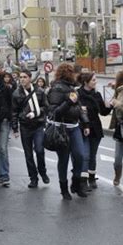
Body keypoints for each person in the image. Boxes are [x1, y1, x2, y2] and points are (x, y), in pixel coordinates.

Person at [47, 63, 90, 200]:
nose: (77, 76)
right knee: (64, 160)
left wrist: (86, 123)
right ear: (68, 73)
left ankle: (76, 182)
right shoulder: (57, 88)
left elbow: (78, 106)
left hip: (75, 127)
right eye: (74, 73)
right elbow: (55, 112)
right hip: (62, 129)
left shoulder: (72, 87)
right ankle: (64, 189)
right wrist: (69, 102)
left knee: (80, 156)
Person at [12, 70, 49, 188]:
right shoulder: (16, 94)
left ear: (30, 78)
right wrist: (15, 128)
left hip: (38, 125)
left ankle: (42, 171)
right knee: (28, 154)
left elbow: (46, 107)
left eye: (24, 77)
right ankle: (33, 178)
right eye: (20, 77)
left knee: (39, 150)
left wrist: (36, 113)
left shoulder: (39, 91)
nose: (22, 79)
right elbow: (14, 112)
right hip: (25, 127)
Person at [78, 72, 112, 190]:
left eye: (95, 79)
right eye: (93, 80)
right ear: (86, 82)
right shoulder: (78, 94)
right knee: (85, 155)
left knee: (92, 155)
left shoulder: (97, 95)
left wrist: (109, 105)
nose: (95, 82)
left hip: (95, 129)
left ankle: (92, 178)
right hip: (83, 128)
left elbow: (103, 112)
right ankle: (83, 181)